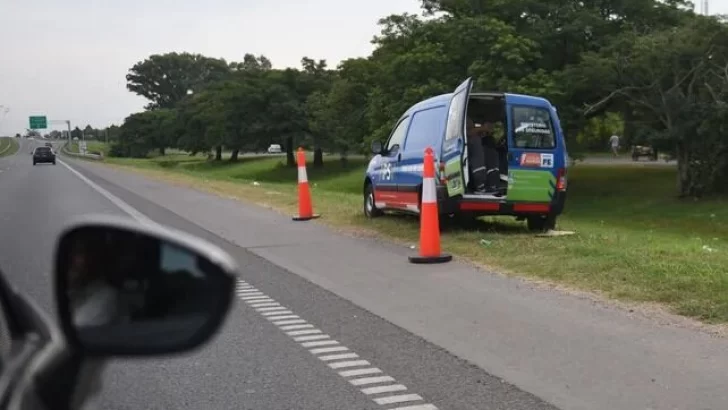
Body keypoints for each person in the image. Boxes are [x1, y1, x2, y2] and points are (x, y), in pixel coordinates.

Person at [67, 237, 126, 328]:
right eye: (68, 253)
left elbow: (78, 326)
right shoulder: (73, 290)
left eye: (78, 252)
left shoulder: (107, 296)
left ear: (94, 257)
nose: (70, 260)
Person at [466, 118, 502, 195]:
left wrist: (484, 132)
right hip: (469, 150)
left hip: (479, 149)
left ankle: (493, 184)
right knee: (477, 144)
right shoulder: (473, 139)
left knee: (490, 147)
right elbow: (467, 133)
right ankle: (480, 185)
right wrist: (483, 128)